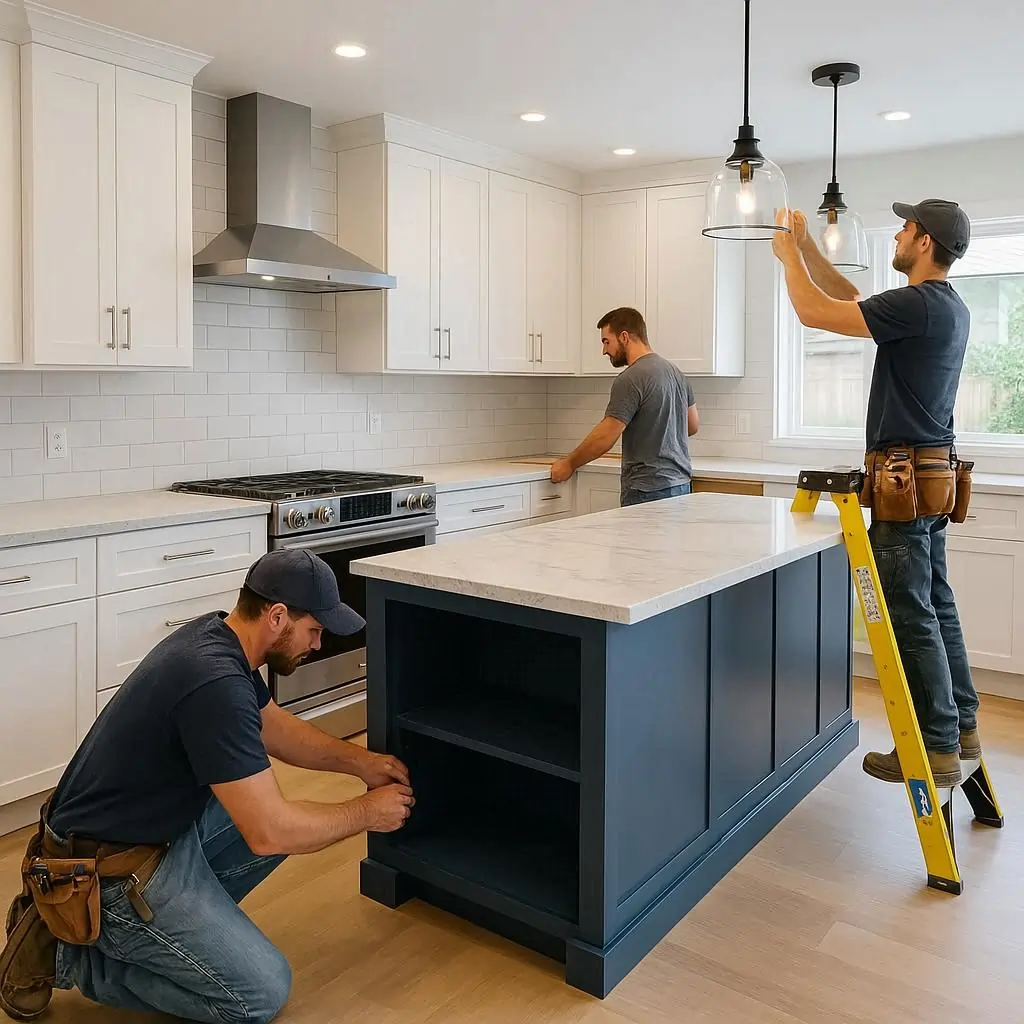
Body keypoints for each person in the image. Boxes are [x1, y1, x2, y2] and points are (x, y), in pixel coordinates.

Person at [1, 548, 414, 1024]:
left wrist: (361, 763)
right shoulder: (215, 682)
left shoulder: (216, 636)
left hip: (144, 835)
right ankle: (67, 956)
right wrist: (366, 813)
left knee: (279, 811)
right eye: (315, 630)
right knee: (258, 993)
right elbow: (270, 832)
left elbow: (271, 728)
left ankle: (174, 934)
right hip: (108, 874)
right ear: (278, 616)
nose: (318, 644)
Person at [772, 199, 979, 789]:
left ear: (925, 241)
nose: (898, 232)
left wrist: (787, 259)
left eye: (906, 227)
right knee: (937, 605)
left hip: (902, 482)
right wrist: (809, 247)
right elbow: (851, 303)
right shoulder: (942, 306)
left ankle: (936, 748)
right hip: (930, 477)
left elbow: (816, 313)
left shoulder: (918, 304)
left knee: (910, 614)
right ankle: (960, 731)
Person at [551, 306, 700, 505]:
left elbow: (606, 436)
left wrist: (569, 463)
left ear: (624, 337)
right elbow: (692, 425)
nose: (604, 350)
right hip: (680, 486)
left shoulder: (631, 378)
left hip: (647, 489)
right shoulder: (676, 373)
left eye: (606, 341)